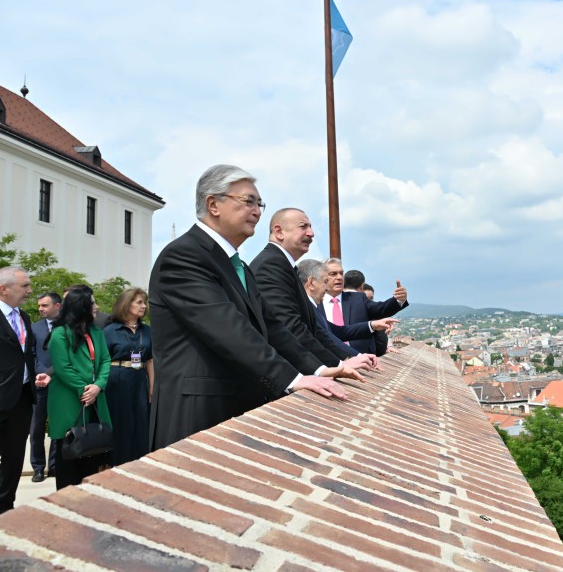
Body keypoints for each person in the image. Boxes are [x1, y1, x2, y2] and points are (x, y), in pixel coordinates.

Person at [148, 164, 358, 450]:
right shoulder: (184, 256)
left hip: (235, 404)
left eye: (260, 204)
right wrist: (293, 378)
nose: (257, 211)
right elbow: (229, 329)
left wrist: (319, 370)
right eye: (248, 201)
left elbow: (274, 329)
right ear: (213, 204)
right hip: (199, 409)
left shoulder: (240, 267)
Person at [249, 208, 389, 372]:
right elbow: (289, 327)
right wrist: (337, 365)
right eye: (303, 227)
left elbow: (315, 330)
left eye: (310, 227)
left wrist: (349, 358)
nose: (311, 233)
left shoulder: (284, 265)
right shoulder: (271, 265)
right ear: (279, 231)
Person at [46, 285, 111, 490]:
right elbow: (62, 368)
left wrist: (98, 386)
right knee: (69, 452)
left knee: (93, 450)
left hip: (95, 397)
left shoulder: (96, 332)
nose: (96, 306)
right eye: (92, 302)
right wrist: (85, 390)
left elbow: (106, 360)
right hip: (68, 399)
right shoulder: (60, 334)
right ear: (80, 306)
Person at [0, 266, 37, 513]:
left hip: (21, 398)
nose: (29, 291)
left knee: (13, 458)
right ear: (3, 289)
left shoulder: (23, 317)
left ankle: (4, 508)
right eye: (24, 286)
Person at [102, 288, 153, 465]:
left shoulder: (147, 331)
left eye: (144, 302)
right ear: (126, 304)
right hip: (116, 378)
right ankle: (115, 463)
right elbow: (102, 361)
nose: (143, 306)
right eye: (139, 302)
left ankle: (139, 462)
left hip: (139, 379)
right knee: (120, 422)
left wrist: (152, 386)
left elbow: (150, 360)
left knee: (140, 421)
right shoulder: (109, 331)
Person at [319, 259, 408, 356]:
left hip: (362, 357)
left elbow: (381, 309)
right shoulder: (314, 303)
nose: (339, 277)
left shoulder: (357, 298)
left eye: (341, 273)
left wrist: (398, 300)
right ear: (322, 277)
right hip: (328, 359)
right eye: (333, 274)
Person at [29, 291, 60, 482]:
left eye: (44, 305)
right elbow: (30, 354)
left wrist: (51, 373)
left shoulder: (67, 327)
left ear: (57, 306)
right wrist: (42, 373)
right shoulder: (34, 328)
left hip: (61, 383)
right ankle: (38, 468)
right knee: (37, 428)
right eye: (39, 305)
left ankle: (55, 466)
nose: (40, 309)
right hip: (39, 383)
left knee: (58, 426)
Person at [349, 277, 389, 357]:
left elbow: (382, 343)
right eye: (366, 299)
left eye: (371, 298)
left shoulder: (376, 316)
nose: (369, 302)